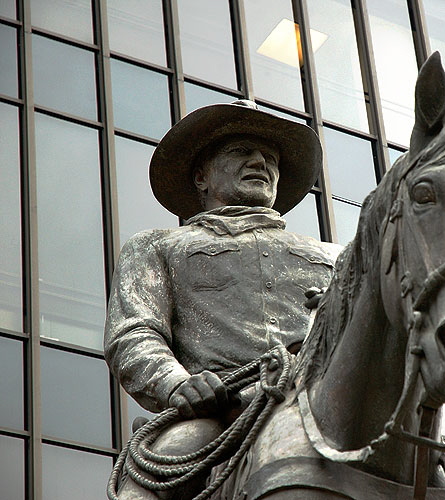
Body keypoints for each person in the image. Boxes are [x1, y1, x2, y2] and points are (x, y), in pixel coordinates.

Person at [104, 100, 340, 498]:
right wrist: (178, 385)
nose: (259, 162)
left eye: (269, 157)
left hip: (322, 408)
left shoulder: (336, 256)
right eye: (240, 151)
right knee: (165, 466)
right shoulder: (157, 247)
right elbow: (133, 334)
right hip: (221, 411)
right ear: (201, 176)